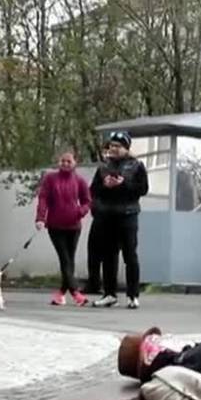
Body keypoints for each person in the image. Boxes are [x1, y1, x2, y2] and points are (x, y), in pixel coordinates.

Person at [90, 131, 149, 309]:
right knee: (108, 256)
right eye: (112, 146)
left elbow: (143, 189)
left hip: (128, 215)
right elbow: (94, 190)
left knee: (130, 255)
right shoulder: (103, 167)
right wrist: (105, 185)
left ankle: (132, 295)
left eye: (118, 146)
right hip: (107, 215)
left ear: (126, 148)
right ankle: (109, 294)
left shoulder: (137, 166)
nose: (114, 149)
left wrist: (123, 184)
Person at [34, 151, 92, 307]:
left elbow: (88, 201)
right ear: (58, 162)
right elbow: (43, 198)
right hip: (55, 225)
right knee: (64, 258)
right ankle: (76, 293)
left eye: (69, 161)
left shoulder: (79, 181)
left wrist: (80, 211)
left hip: (74, 226)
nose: (65, 164)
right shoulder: (50, 179)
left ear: (75, 163)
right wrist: (40, 218)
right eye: (62, 161)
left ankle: (60, 294)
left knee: (69, 260)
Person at [83, 142, 112, 296]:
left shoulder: (125, 169)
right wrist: (94, 207)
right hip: (100, 215)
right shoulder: (101, 170)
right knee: (93, 250)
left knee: (110, 253)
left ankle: (108, 287)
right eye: (105, 151)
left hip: (115, 217)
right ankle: (93, 282)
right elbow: (92, 191)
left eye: (109, 151)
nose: (107, 154)